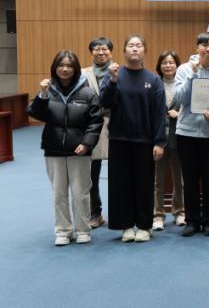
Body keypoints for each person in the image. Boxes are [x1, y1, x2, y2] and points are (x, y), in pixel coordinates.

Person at [27, 50, 103, 246]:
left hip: (79, 151)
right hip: (54, 150)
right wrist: (42, 95)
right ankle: (63, 230)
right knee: (59, 193)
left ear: (75, 69)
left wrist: (86, 143)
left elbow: (95, 121)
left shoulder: (87, 93)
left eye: (69, 65)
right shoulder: (48, 90)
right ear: (55, 68)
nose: (65, 69)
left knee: (80, 193)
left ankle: (83, 229)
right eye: (61, 65)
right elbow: (35, 113)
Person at [100, 34, 167, 243]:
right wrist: (112, 81)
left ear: (144, 51)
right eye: (131, 45)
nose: (135, 49)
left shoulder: (153, 80)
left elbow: (159, 113)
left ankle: (145, 225)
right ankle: (126, 226)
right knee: (120, 184)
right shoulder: (114, 75)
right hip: (119, 139)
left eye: (138, 45)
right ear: (124, 51)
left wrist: (159, 142)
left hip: (145, 141)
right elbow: (105, 103)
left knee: (144, 184)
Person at [172, 33, 209, 237]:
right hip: (186, 132)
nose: (208, 49)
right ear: (197, 47)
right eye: (204, 45)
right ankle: (192, 220)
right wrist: (193, 74)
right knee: (190, 179)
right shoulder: (184, 69)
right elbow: (179, 98)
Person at [81, 37, 113, 229]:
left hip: (116, 125)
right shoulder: (82, 74)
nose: (101, 53)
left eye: (104, 49)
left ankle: (119, 212)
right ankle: (95, 213)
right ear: (91, 52)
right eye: (97, 49)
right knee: (91, 175)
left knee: (119, 173)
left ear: (111, 52)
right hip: (91, 127)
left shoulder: (119, 71)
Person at [152, 50, 185, 231]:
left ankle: (179, 212)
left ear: (177, 65)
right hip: (158, 138)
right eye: (164, 62)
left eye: (171, 62)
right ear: (160, 65)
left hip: (178, 137)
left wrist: (179, 114)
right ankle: (158, 214)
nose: (168, 66)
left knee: (179, 179)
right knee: (158, 180)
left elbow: (191, 107)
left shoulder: (183, 84)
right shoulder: (154, 84)